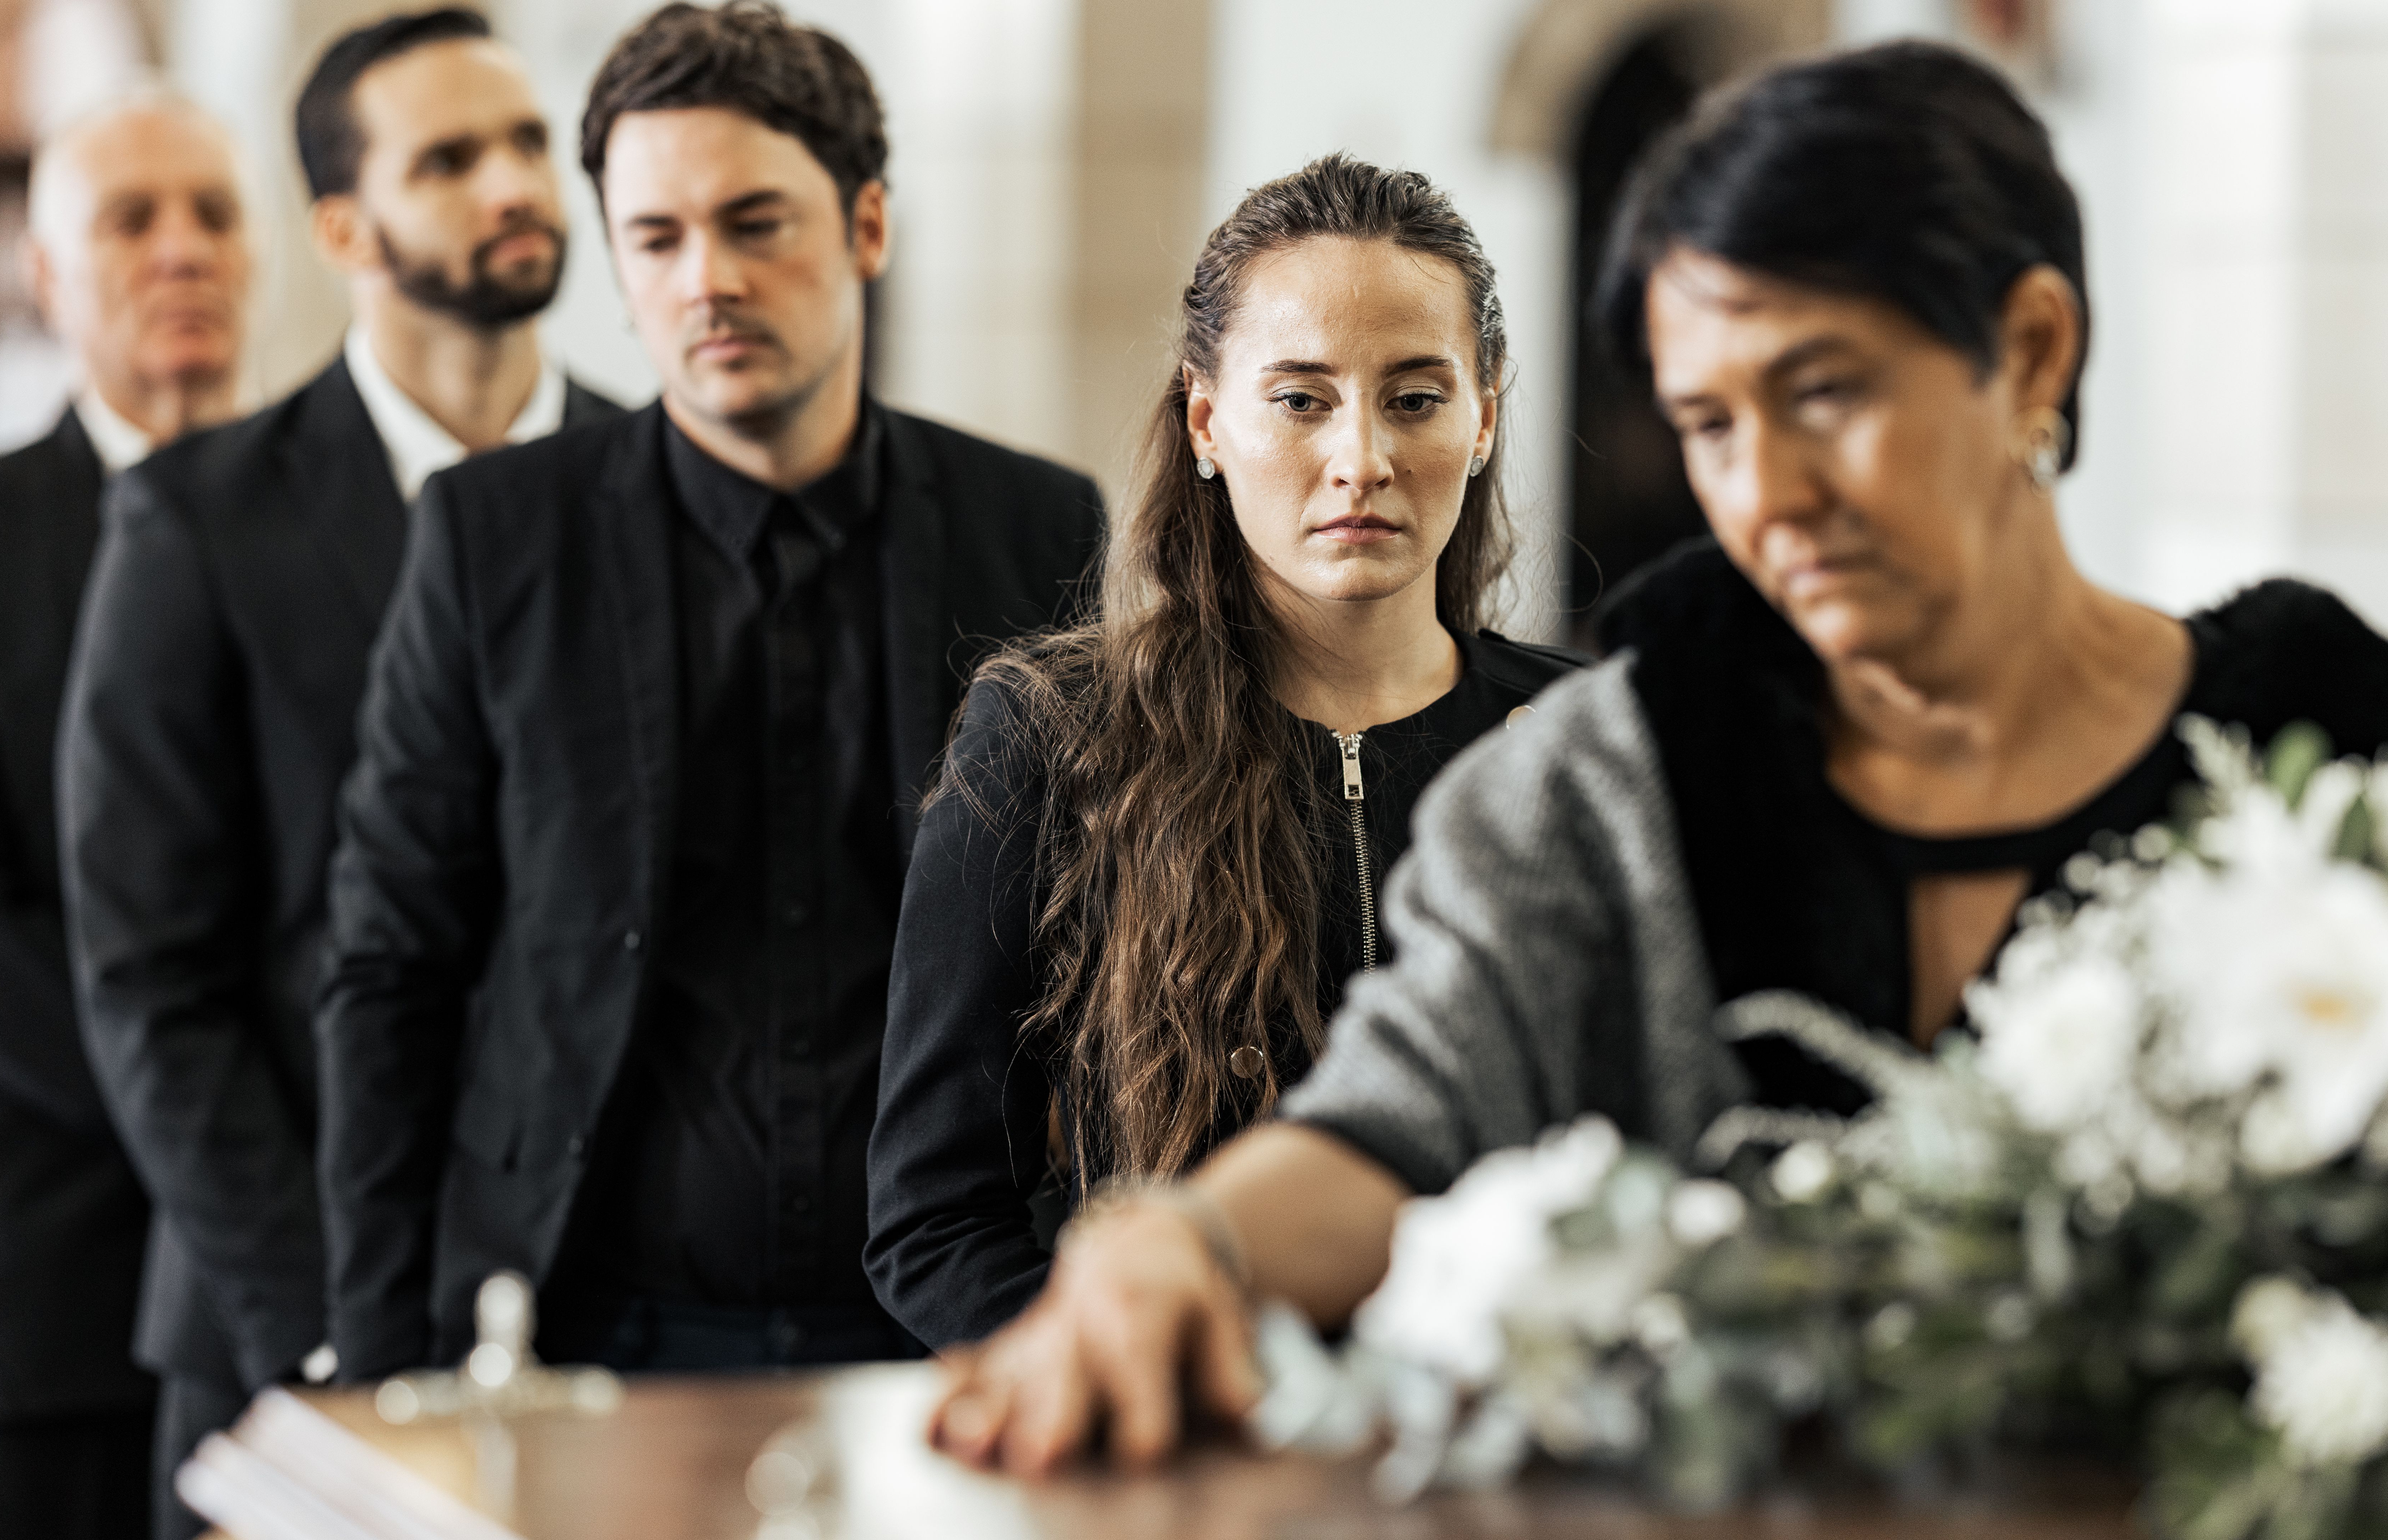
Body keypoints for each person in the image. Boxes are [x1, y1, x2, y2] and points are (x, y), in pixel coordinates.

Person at [927, 40, 2388, 1476]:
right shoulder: (1608, 768)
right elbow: (1405, 1111)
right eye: (1708, 423)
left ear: (2030, 352)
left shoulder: (2303, 736)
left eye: (1825, 392)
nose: (1768, 494)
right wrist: (1182, 1247)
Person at [314, 0, 1102, 1385]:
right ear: (614, 264)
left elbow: (1092, 959)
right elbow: (392, 966)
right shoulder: (494, 536)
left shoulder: (1032, 525)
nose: (706, 282)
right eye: (657, 239)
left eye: (757, 225)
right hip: (581, 1320)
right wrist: (385, 1372)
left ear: (868, 227)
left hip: (933, 1329)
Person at [865, 155, 1584, 1351]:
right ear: (1208, 419)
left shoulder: (1576, 744)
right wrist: (1117, 1378)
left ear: (1485, 418)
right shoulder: (1055, 736)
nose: (1360, 458)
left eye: (1414, 398)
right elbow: (933, 1223)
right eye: (1300, 400)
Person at [56, 14, 619, 1538]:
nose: (511, 183)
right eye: (449, 159)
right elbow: (150, 981)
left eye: (523, 145)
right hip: (282, 1335)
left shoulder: (651, 496)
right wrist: (328, 1325)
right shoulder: (197, 524)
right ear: (343, 226)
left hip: (617, 1332)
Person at [0, 96, 250, 1540]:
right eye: (129, 219)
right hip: (63, 1280)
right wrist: (227, 1131)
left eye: (214, 215)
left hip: (319, 1286)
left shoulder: (357, 526)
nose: (182, 252)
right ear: (43, 275)